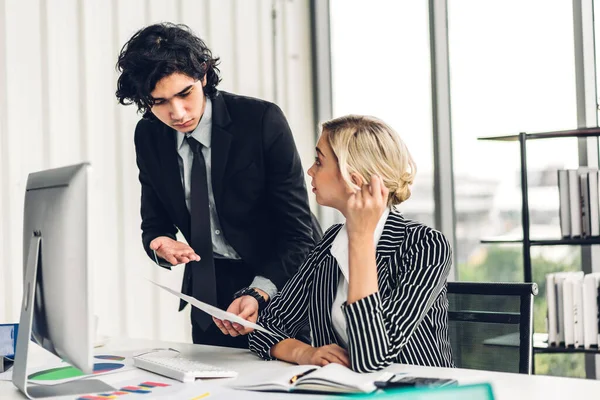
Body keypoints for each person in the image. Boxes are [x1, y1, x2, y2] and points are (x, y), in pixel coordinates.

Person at [115, 23, 319, 348]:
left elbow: (299, 234)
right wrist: (161, 245)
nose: (177, 113)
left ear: (204, 75)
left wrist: (259, 291)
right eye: (159, 101)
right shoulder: (149, 135)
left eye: (185, 93)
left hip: (283, 287)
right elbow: (154, 225)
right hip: (211, 299)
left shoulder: (261, 121)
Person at [248, 115, 455, 372]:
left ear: (353, 178)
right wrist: (305, 352)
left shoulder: (425, 245)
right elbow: (265, 327)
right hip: (343, 389)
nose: (310, 171)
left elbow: (372, 358)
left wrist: (360, 238)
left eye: (319, 161)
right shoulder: (329, 244)